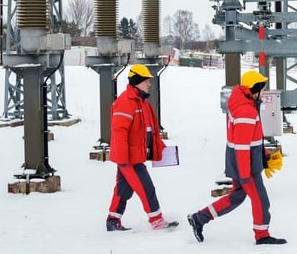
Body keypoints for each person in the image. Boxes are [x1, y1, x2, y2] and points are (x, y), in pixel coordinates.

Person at [186, 70, 286, 245]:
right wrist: (245, 172)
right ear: (254, 89)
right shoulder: (246, 111)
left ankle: (200, 218)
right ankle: (262, 236)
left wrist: (263, 156)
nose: (264, 92)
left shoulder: (245, 106)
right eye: (262, 88)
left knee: (236, 197)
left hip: (244, 163)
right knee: (261, 200)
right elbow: (241, 146)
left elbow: (250, 140)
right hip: (245, 166)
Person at [105, 64, 178, 232]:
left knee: (123, 189)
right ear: (137, 81)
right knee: (146, 188)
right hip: (129, 158)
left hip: (135, 155)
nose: (149, 84)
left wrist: (159, 149)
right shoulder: (125, 102)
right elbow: (119, 132)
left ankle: (113, 220)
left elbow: (149, 130)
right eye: (146, 81)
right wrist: (123, 160)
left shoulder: (142, 102)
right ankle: (157, 220)